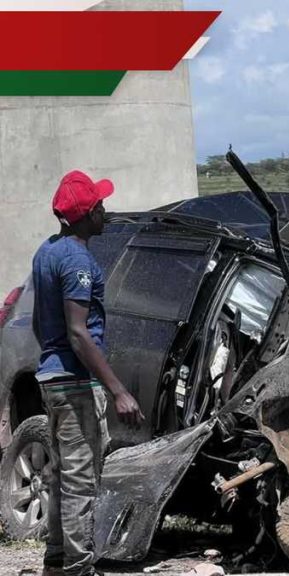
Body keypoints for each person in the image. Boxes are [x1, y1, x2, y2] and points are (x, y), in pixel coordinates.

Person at [32, 171, 144, 576]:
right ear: (84, 216)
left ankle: (57, 559)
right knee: (81, 481)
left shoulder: (47, 252)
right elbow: (78, 333)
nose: (104, 211)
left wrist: (51, 355)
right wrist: (118, 391)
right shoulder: (78, 262)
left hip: (52, 379)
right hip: (76, 384)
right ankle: (79, 568)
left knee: (63, 475)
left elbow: (40, 324)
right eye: (98, 206)